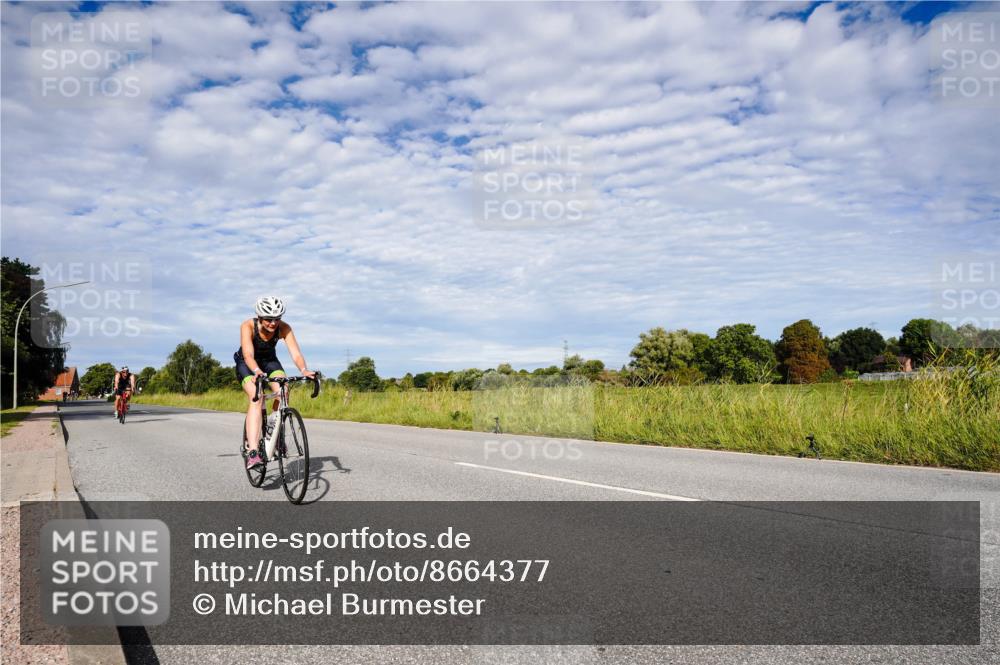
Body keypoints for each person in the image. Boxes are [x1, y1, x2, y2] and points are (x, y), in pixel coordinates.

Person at [235, 296, 315, 469]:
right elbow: (248, 354)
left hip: (269, 361)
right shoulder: (248, 325)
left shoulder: (284, 328)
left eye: (277, 319)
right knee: (257, 397)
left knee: (284, 390)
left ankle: (273, 425)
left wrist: (304, 370)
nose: (273, 323)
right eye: (269, 319)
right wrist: (256, 372)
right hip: (247, 364)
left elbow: (295, 353)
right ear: (259, 317)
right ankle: (253, 452)